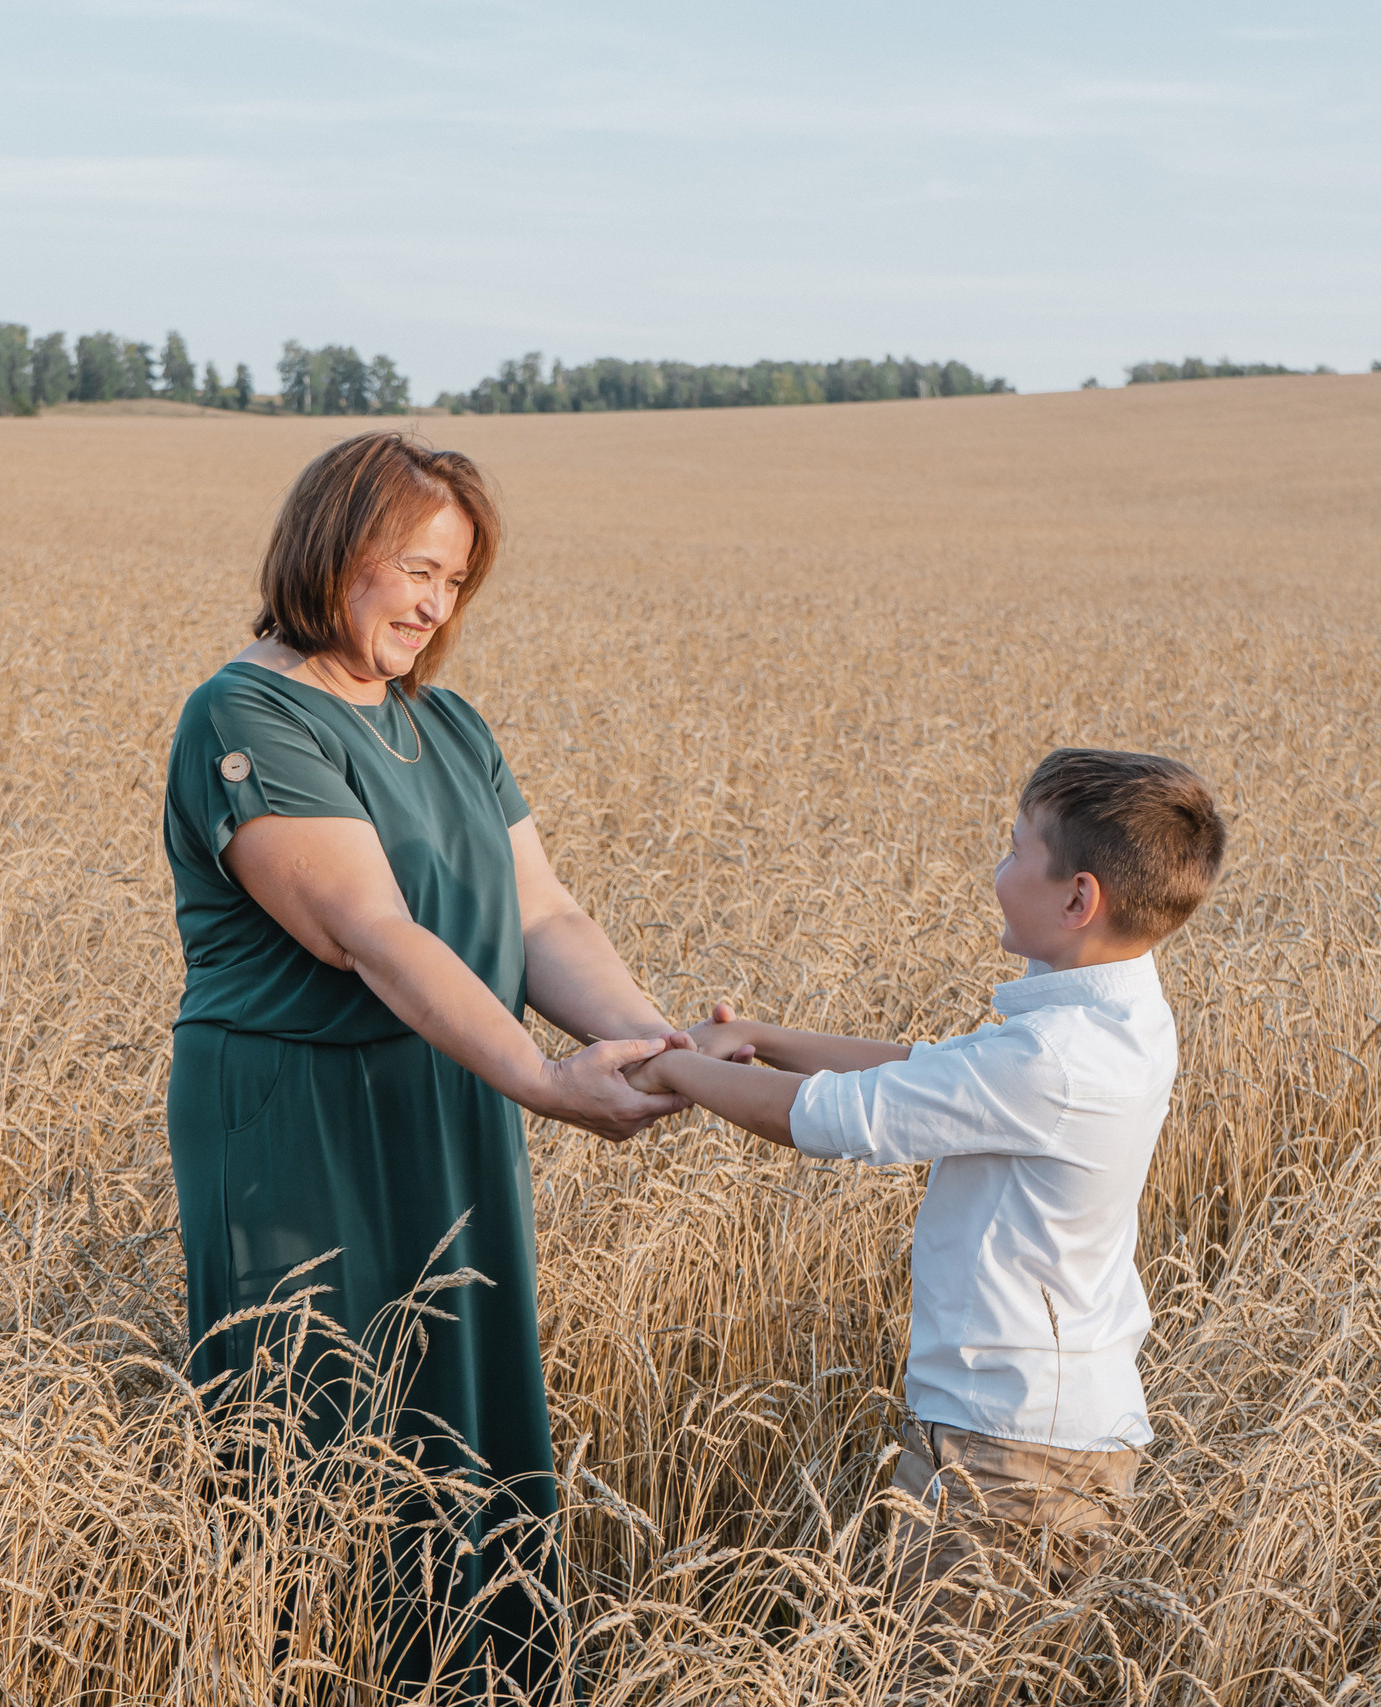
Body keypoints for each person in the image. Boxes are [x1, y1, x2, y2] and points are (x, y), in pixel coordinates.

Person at [159, 432, 691, 1692]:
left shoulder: (445, 724)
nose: (430, 604)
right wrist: (546, 1084)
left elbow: (545, 914)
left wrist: (646, 1042)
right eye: (410, 567)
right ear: (329, 552)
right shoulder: (246, 711)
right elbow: (372, 932)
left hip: (452, 1094)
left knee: (459, 1399)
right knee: (315, 1419)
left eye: (453, 582)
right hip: (298, 1111)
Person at [624, 748, 1227, 1600]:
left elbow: (830, 1118)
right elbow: (932, 1068)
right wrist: (761, 1037)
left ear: (1077, 898)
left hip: (1005, 1452)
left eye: (1017, 850)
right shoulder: (1116, 1010)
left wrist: (675, 1071)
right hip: (1068, 1427)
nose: (998, 867)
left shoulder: (1054, 1059)